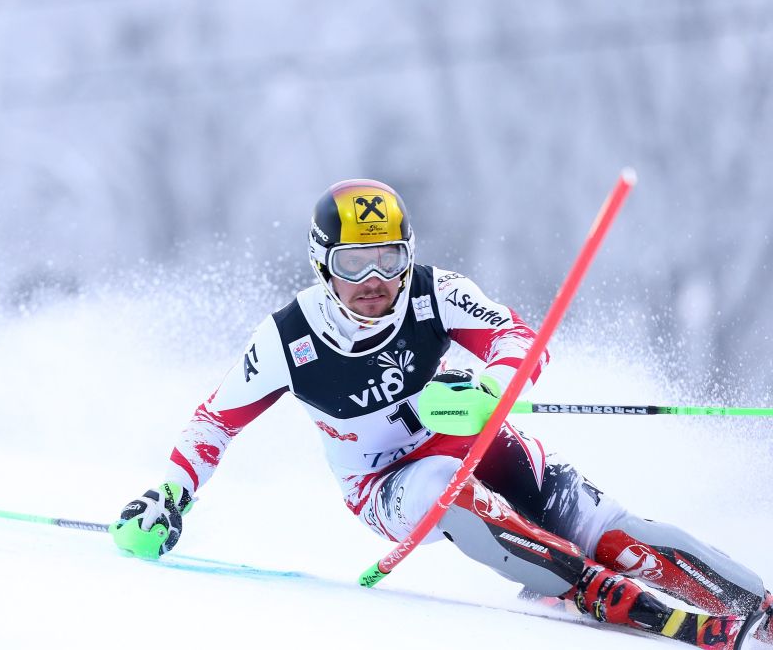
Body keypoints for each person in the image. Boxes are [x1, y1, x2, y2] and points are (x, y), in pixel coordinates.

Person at [110, 179, 772, 649]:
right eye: (354, 263)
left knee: (605, 523)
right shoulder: (289, 338)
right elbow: (214, 421)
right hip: (388, 486)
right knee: (442, 490)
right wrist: (169, 495)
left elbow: (517, 336)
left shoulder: (433, 292)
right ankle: (578, 581)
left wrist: (493, 383)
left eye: (390, 258)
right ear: (322, 265)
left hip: (473, 435)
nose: (375, 281)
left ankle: (753, 604)